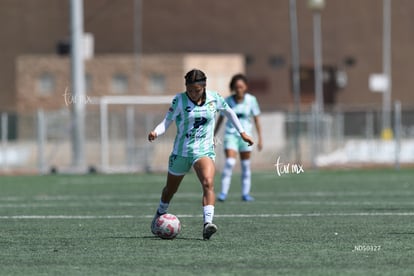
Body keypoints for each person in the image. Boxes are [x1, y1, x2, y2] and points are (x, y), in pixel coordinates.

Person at [148, 69, 254, 240]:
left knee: (208, 182)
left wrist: (242, 133)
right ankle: (160, 213)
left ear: (204, 87)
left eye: (196, 90)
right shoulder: (179, 100)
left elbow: (229, 113)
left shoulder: (214, 98)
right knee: (170, 189)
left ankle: (207, 224)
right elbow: (167, 121)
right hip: (181, 152)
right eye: (190, 90)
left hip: (204, 150)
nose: (193, 93)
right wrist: (156, 132)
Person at [214, 74, 263, 202]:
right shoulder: (228, 100)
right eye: (236, 87)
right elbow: (221, 118)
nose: (239, 89)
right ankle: (223, 193)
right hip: (231, 135)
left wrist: (260, 138)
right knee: (230, 163)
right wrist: (213, 134)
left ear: (245, 87)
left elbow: (257, 120)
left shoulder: (251, 100)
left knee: (245, 165)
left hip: (246, 137)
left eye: (241, 87)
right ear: (233, 88)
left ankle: (245, 193)